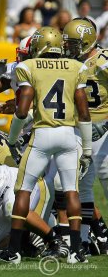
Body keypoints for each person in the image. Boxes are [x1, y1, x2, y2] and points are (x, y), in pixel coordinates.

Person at [0, 27, 92, 264]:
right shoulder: (77, 67)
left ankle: (13, 250)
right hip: (67, 133)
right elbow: (83, 113)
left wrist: (12, 139)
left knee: (22, 190)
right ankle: (76, 250)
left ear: (39, 47)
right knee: (71, 190)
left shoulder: (28, 67)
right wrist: (88, 148)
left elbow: (22, 111)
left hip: (42, 133)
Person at [62, 18, 108, 253]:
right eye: (67, 43)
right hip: (80, 131)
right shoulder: (69, 64)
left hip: (104, 131)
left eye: (73, 43)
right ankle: (84, 240)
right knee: (82, 187)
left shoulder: (103, 61)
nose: (68, 48)